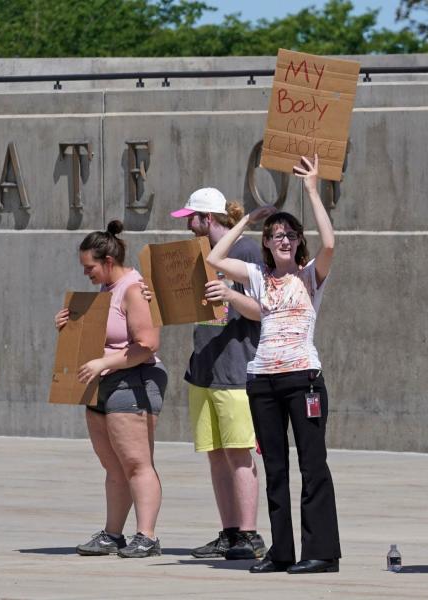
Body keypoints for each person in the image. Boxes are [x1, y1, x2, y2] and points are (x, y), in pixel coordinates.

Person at [206, 155, 341, 574]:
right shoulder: (259, 276)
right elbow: (215, 259)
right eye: (275, 235)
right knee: (276, 468)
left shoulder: (310, 277)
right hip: (262, 379)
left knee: (313, 465)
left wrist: (313, 190)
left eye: (289, 235)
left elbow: (331, 243)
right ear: (267, 243)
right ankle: (282, 551)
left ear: (298, 241)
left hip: (304, 379)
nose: (282, 240)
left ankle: (321, 553)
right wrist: (247, 218)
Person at [54, 220, 167, 558]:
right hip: (101, 385)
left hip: (134, 382)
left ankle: (146, 536)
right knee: (113, 466)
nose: (86, 273)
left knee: (136, 463)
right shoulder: (105, 291)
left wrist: (104, 363)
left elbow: (147, 344)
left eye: (89, 267)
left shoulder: (134, 289)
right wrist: (69, 326)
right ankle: (112, 534)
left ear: (106, 261)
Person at [169, 188, 267, 561]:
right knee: (215, 455)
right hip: (204, 368)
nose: (187, 225)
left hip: (236, 369)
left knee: (239, 454)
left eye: (190, 219)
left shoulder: (245, 253)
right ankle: (229, 532)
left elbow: (262, 309)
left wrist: (227, 293)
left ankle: (250, 534)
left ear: (208, 218)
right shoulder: (197, 257)